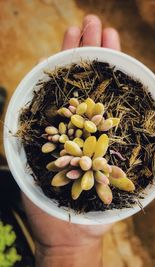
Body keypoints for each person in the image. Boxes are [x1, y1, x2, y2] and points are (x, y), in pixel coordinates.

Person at [22, 14, 121, 267]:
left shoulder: (91, 154)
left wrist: (68, 249)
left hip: (85, 151)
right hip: (80, 147)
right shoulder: (75, 149)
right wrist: (71, 249)